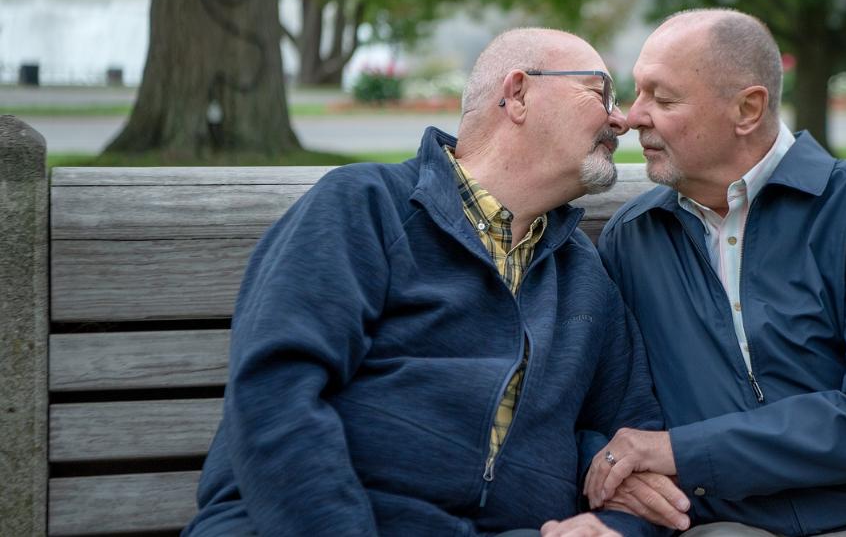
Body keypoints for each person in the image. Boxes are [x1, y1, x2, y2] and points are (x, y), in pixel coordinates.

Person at [183, 28, 667, 537]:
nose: (622, 119)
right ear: (518, 93)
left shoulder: (583, 273)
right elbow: (275, 394)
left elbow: (637, 446)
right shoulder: (365, 206)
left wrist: (612, 530)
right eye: (599, 93)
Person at [586, 9, 846, 536]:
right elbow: (603, 402)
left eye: (663, 98)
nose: (633, 117)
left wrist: (682, 451)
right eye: (638, 94)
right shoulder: (634, 236)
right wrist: (612, 462)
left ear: (748, 109)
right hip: (726, 520)